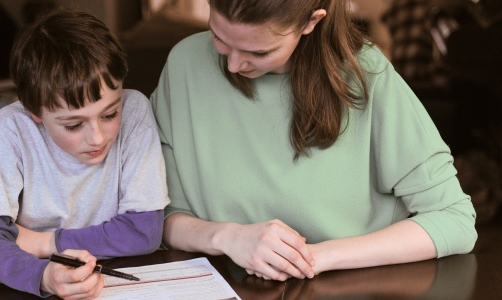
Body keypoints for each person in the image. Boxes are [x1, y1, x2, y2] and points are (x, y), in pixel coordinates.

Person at [151, 0, 477, 281]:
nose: (233, 64)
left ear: (311, 22)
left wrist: (315, 258)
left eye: (259, 51)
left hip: (356, 286)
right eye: (219, 37)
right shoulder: (184, 64)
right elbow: (162, 215)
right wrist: (227, 238)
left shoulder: (367, 74)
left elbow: (454, 218)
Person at [0, 8, 169, 298]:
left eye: (109, 114)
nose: (97, 138)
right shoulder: (12, 128)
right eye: (73, 124)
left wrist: (45, 243)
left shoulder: (135, 110)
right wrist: (42, 275)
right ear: (35, 113)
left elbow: (143, 232)